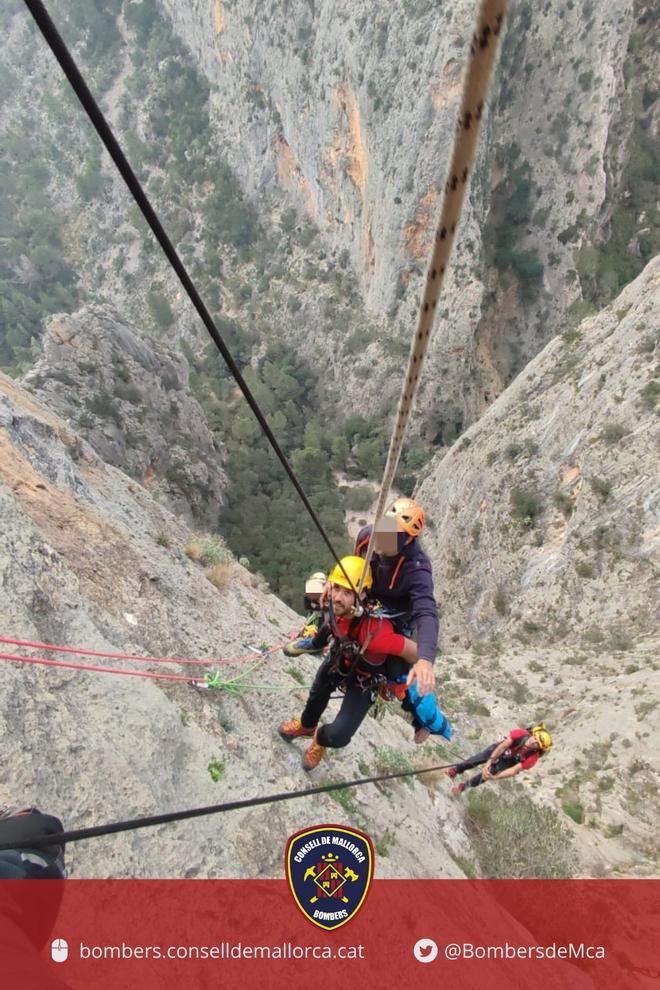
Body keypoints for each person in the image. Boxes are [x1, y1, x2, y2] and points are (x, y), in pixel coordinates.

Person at [277, 556, 450, 770]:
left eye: (347, 592)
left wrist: (421, 670)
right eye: (336, 588)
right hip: (339, 661)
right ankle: (306, 726)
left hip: (365, 681)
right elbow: (329, 627)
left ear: (362, 595)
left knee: (339, 736)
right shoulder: (334, 609)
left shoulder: (378, 633)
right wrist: (312, 644)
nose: (338, 598)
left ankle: (320, 740)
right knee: (316, 696)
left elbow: (415, 653)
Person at [351, 497, 439, 699]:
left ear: (408, 539)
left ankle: (395, 685)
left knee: (396, 669)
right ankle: (318, 637)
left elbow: (426, 612)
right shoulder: (367, 538)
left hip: (398, 612)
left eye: (393, 534)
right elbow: (355, 567)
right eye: (385, 528)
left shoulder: (417, 568)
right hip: (369, 598)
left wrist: (425, 658)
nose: (384, 537)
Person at [446, 725, 552, 794]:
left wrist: (494, 777)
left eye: (537, 744)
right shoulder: (521, 734)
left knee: (486, 775)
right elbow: (502, 747)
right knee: (478, 759)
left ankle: (463, 787)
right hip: (500, 749)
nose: (533, 742)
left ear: (539, 748)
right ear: (533, 734)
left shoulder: (532, 758)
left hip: (509, 762)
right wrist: (488, 762)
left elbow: (514, 770)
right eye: (535, 738)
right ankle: (456, 770)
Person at [282, 571, 332, 657]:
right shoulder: (310, 599)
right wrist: (300, 633)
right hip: (318, 619)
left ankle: (322, 645)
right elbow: (311, 616)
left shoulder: (329, 601)